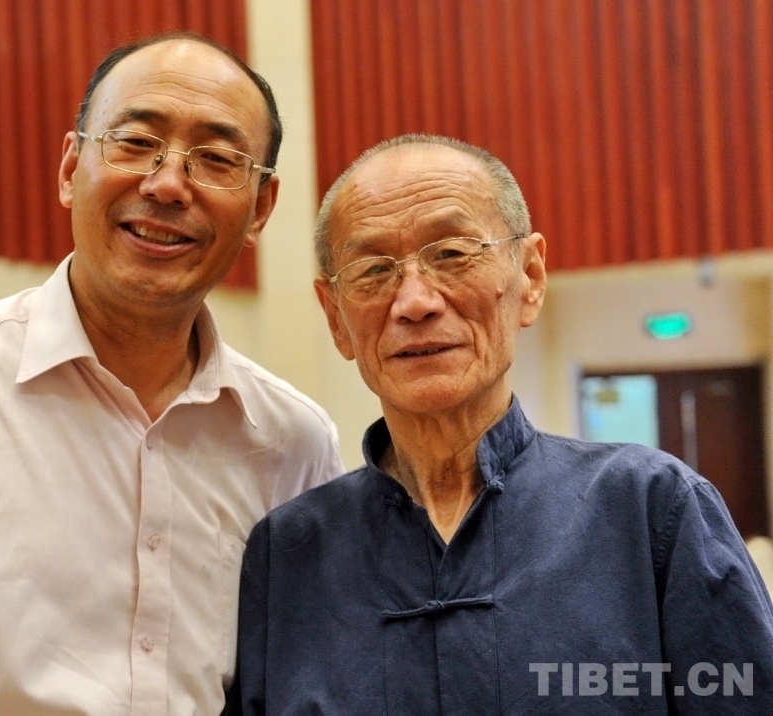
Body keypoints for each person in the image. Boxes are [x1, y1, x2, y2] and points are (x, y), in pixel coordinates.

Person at [0, 33, 343, 714]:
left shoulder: (293, 442)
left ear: (259, 208)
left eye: (217, 159)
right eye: (135, 142)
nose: (168, 185)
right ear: (70, 167)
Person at [227, 134, 773, 714]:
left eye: (451, 253)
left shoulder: (649, 510)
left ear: (529, 277)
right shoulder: (289, 552)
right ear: (336, 318)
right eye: (373, 270)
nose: (414, 302)